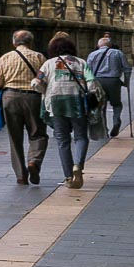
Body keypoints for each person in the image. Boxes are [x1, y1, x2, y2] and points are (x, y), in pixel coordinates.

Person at [40, 33, 102, 189]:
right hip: (77, 102)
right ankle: (78, 166)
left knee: (62, 140)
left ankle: (68, 176)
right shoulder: (81, 63)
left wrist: (45, 92)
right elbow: (91, 82)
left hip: (55, 103)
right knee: (81, 136)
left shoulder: (48, 64)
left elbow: (36, 82)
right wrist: (94, 99)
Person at [0, 29, 49, 185]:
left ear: (14, 42)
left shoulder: (5, 58)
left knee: (15, 137)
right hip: (33, 98)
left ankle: (21, 175)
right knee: (38, 133)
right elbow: (45, 79)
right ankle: (34, 162)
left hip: (10, 97)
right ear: (30, 42)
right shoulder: (39, 57)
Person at [86, 35, 129, 137]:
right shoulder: (118, 53)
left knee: (101, 106)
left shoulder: (92, 54)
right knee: (116, 103)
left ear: (98, 45)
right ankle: (116, 120)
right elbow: (127, 68)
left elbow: (88, 71)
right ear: (111, 45)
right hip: (114, 81)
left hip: (98, 82)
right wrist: (126, 82)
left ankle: (104, 129)